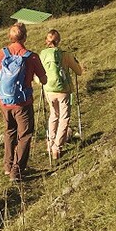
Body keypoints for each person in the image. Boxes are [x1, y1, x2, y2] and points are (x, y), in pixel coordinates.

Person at [0, 22, 47, 181]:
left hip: (4, 102)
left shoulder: (0, 55)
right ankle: (17, 171)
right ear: (25, 37)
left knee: (9, 131)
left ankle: (8, 167)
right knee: (25, 135)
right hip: (23, 104)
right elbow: (43, 80)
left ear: (10, 37)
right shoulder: (31, 56)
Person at [41, 28, 85, 160]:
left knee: (53, 115)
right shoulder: (65, 54)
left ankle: (50, 143)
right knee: (64, 117)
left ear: (46, 41)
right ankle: (57, 147)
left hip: (48, 90)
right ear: (59, 41)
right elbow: (79, 71)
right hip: (64, 90)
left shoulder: (42, 54)